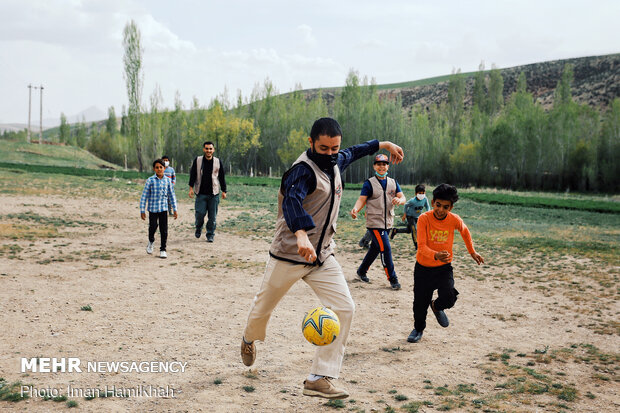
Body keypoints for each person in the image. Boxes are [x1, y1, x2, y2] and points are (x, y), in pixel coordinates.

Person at [240, 118, 404, 400]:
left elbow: (354, 150)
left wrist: (383, 144)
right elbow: (292, 199)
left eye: (334, 148)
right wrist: (301, 234)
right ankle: (248, 338)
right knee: (261, 310)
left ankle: (319, 377)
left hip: (322, 256)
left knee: (345, 307)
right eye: (323, 148)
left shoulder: (336, 160)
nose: (329, 153)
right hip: (290, 254)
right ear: (311, 143)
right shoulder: (301, 171)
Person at [407, 183, 484, 343]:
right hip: (423, 269)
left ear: (451, 207)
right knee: (419, 304)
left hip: (444, 269)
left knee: (449, 297)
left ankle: (436, 306)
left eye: (446, 207)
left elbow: (464, 231)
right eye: (438, 205)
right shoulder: (424, 219)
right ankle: (418, 329)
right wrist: (436, 255)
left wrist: (472, 251)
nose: (441, 210)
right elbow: (421, 247)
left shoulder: (454, 219)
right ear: (433, 201)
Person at [350, 154, 406, 290]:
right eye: (378, 164)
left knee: (375, 249)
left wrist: (400, 200)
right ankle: (393, 279)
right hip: (375, 223)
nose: (381, 166)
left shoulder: (393, 182)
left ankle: (361, 272)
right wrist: (356, 209)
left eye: (384, 164)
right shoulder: (369, 183)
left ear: (388, 166)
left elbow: (402, 197)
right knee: (385, 249)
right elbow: (362, 199)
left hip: (388, 222)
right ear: (374, 166)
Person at [189, 141, 227, 243]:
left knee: (212, 217)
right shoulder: (198, 160)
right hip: (201, 193)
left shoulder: (217, 162)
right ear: (203, 149)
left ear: (213, 150)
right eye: (206, 148)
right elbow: (192, 174)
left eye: (210, 149)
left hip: (213, 194)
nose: (208, 151)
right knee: (200, 214)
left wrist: (224, 190)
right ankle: (198, 227)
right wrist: (191, 188)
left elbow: (222, 176)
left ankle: (210, 234)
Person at [140, 159, 178, 259]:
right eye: (157, 167)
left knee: (164, 229)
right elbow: (144, 196)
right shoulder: (150, 180)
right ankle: (151, 241)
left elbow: (171, 195)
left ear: (164, 168)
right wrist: (142, 210)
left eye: (161, 167)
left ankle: (163, 249)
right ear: (154, 169)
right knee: (153, 226)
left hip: (163, 209)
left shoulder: (168, 181)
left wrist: (175, 209)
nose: (159, 169)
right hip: (152, 209)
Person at [390, 184, 431, 249]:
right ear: (416, 193)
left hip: (417, 217)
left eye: (423, 193)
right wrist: (404, 215)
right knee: (414, 230)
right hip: (410, 217)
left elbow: (427, 206)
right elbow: (406, 205)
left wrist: (428, 213)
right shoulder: (413, 201)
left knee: (409, 230)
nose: (421, 195)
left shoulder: (425, 199)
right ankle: (416, 245)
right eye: (419, 193)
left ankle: (395, 230)